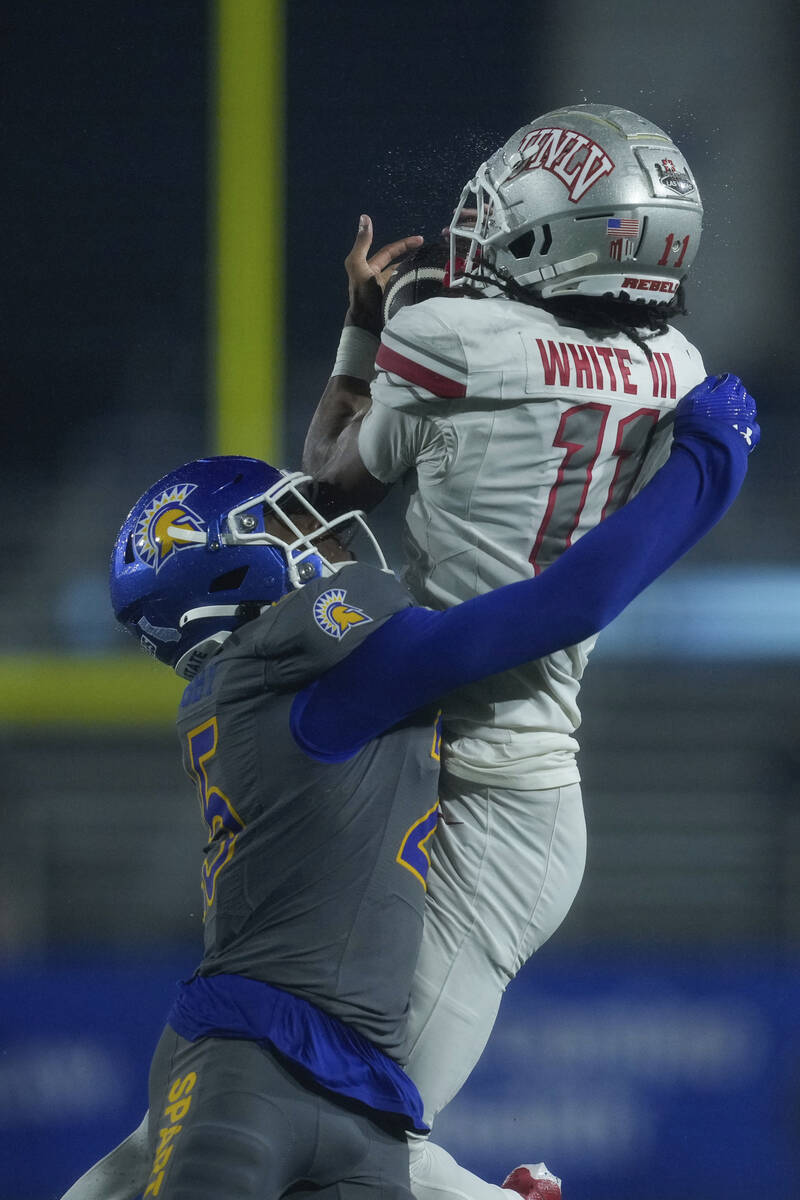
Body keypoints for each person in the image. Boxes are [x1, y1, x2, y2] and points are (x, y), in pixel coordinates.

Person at [59, 369, 756, 1200]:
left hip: (357, 1096)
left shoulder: (268, 680)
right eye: (285, 524)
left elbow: (341, 485)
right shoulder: (312, 674)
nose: (329, 534)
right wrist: (710, 460)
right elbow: (572, 601)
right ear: (226, 574)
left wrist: (359, 355)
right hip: (255, 1058)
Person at [303, 103, 740, 1199]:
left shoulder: (446, 340)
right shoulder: (678, 368)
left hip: (480, 800)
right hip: (461, 774)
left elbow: (326, 482)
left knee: (352, 1142)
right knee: (255, 1112)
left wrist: (363, 325)